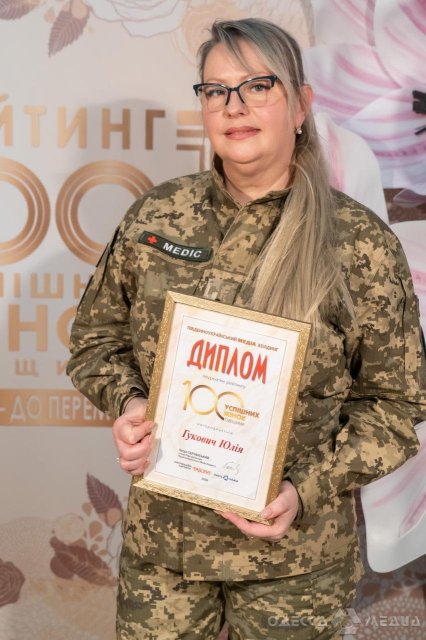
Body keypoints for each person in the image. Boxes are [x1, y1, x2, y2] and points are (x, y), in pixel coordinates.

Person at [67, 18, 426, 640]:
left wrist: (304, 490)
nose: (234, 106)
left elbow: (397, 405)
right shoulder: (158, 216)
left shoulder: (358, 243)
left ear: (301, 106)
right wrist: (129, 404)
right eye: (216, 90)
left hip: (296, 560)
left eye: (258, 86)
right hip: (165, 555)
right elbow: (96, 341)